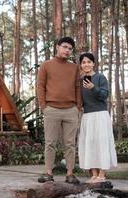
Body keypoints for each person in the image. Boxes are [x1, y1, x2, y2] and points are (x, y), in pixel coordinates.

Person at [37, 37, 82, 184]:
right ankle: (48, 173)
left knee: (70, 144)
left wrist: (78, 107)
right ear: (57, 47)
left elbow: (77, 88)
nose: (67, 50)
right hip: (51, 109)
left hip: (71, 110)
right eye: (65, 47)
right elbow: (40, 86)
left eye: (70, 48)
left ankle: (70, 174)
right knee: (50, 142)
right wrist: (44, 106)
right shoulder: (46, 65)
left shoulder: (74, 68)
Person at [78, 52, 118, 183]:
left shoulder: (100, 78)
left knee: (101, 143)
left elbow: (104, 95)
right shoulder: (80, 81)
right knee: (90, 144)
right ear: (81, 65)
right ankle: (94, 174)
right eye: (84, 62)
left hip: (100, 115)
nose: (86, 64)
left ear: (93, 64)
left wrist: (93, 88)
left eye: (89, 62)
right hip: (87, 116)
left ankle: (102, 174)